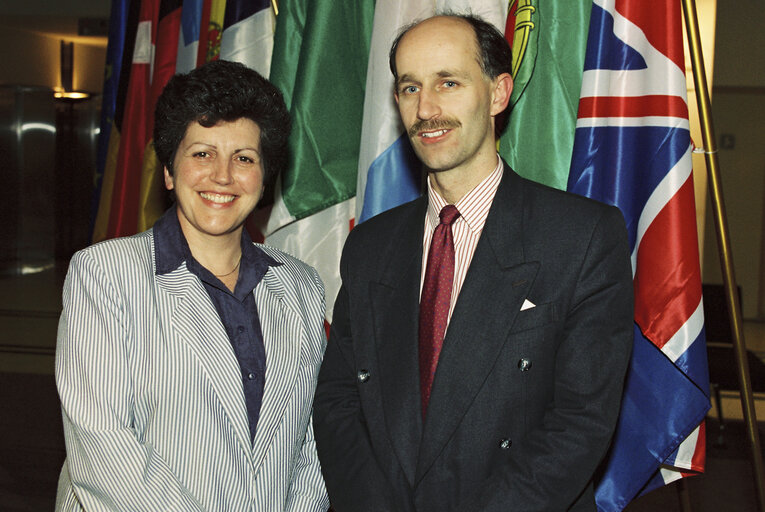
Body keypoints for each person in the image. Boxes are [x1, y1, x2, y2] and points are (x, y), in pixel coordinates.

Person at [313, 14, 634, 512]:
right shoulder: (370, 244)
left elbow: (580, 421)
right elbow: (339, 400)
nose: (426, 108)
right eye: (409, 87)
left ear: (499, 93)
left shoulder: (582, 236)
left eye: (449, 82)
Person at [55, 60, 329, 511]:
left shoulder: (300, 285)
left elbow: (311, 444)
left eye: (244, 158)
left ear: (263, 179)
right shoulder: (103, 275)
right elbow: (102, 449)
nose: (223, 176)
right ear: (168, 170)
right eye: (202, 154)